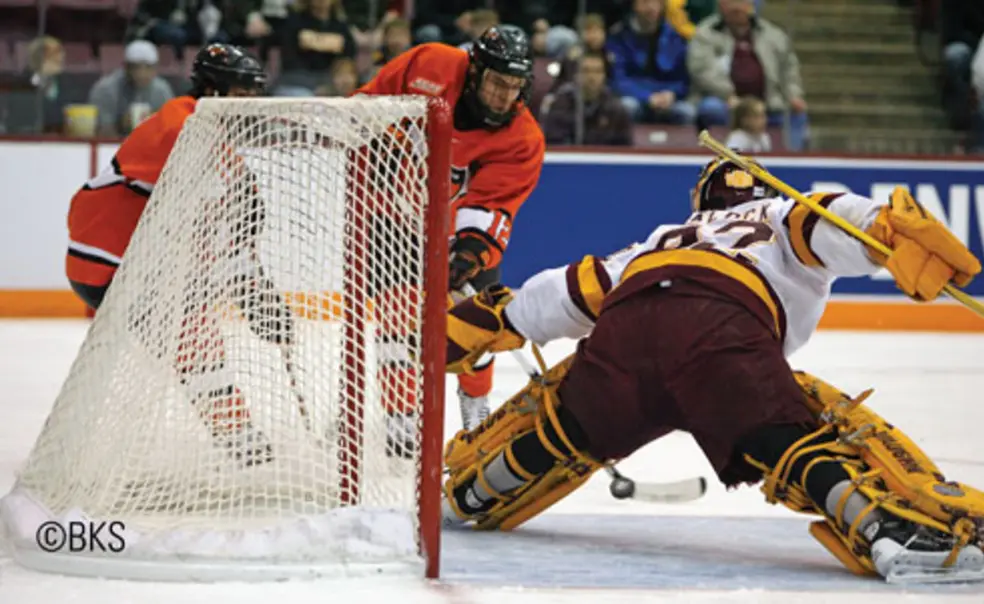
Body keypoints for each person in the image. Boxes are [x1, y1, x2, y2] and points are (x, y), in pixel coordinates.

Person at [441, 157, 984, 583]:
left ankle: (475, 492)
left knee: (571, 428)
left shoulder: (660, 237)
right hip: (720, 330)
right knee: (792, 440)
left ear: (701, 200)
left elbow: (563, 292)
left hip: (627, 328)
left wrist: (490, 320)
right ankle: (885, 531)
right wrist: (884, 228)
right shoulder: (777, 215)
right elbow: (827, 217)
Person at [66, 43, 278, 467]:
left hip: (137, 258)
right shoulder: (180, 127)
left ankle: (235, 431)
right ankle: (237, 434)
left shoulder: (209, 132)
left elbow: (237, 213)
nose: (249, 106)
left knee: (192, 330)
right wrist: (247, 288)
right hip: (109, 260)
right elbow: (215, 215)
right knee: (194, 333)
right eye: (241, 95)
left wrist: (255, 285)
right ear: (212, 90)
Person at [354, 25, 546, 444]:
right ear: (475, 72)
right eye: (496, 82)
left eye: (514, 86)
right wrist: (378, 143)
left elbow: (494, 203)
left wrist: (469, 254)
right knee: (395, 316)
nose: (504, 96)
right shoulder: (430, 65)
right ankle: (401, 415)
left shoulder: (522, 139)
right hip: (396, 217)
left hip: (459, 232)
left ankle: (475, 402)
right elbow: (369, 105)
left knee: (474, 324)